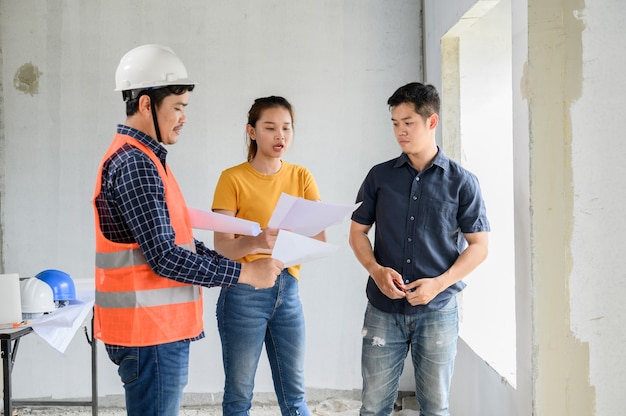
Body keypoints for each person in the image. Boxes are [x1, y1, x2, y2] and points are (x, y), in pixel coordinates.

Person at [92, 44, 283, 416]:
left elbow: (179, 242)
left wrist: (243, 254)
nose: (183, 117)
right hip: (149, 334)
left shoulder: (145, 159)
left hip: (153, 332)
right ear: (146, 104)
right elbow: (164, 257)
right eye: (177, 107)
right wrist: (245, 272)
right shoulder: (136, 164)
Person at [349, 82, 490, 416]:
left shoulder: (462, 182)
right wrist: (376, 270)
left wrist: (439, 284)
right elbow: (357, 233)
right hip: (383, 309)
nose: (400, 131)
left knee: (435, 408)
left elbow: (480, 246)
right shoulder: (379, 177)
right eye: (395, 123)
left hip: (438, 311)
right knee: (372, 406)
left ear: (431, 122)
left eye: (408, 122)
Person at [211, 96, 326, 416]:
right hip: (242, 293)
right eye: (270, 128)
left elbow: (318, 237)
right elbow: (222, 245)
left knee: (295, 396)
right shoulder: (231, 178)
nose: (280, 136)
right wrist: (257, 242)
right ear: (251, 131)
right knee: (238, 396)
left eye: (286, 128)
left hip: (288, 289)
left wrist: (280, 244)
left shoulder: (301, 176)